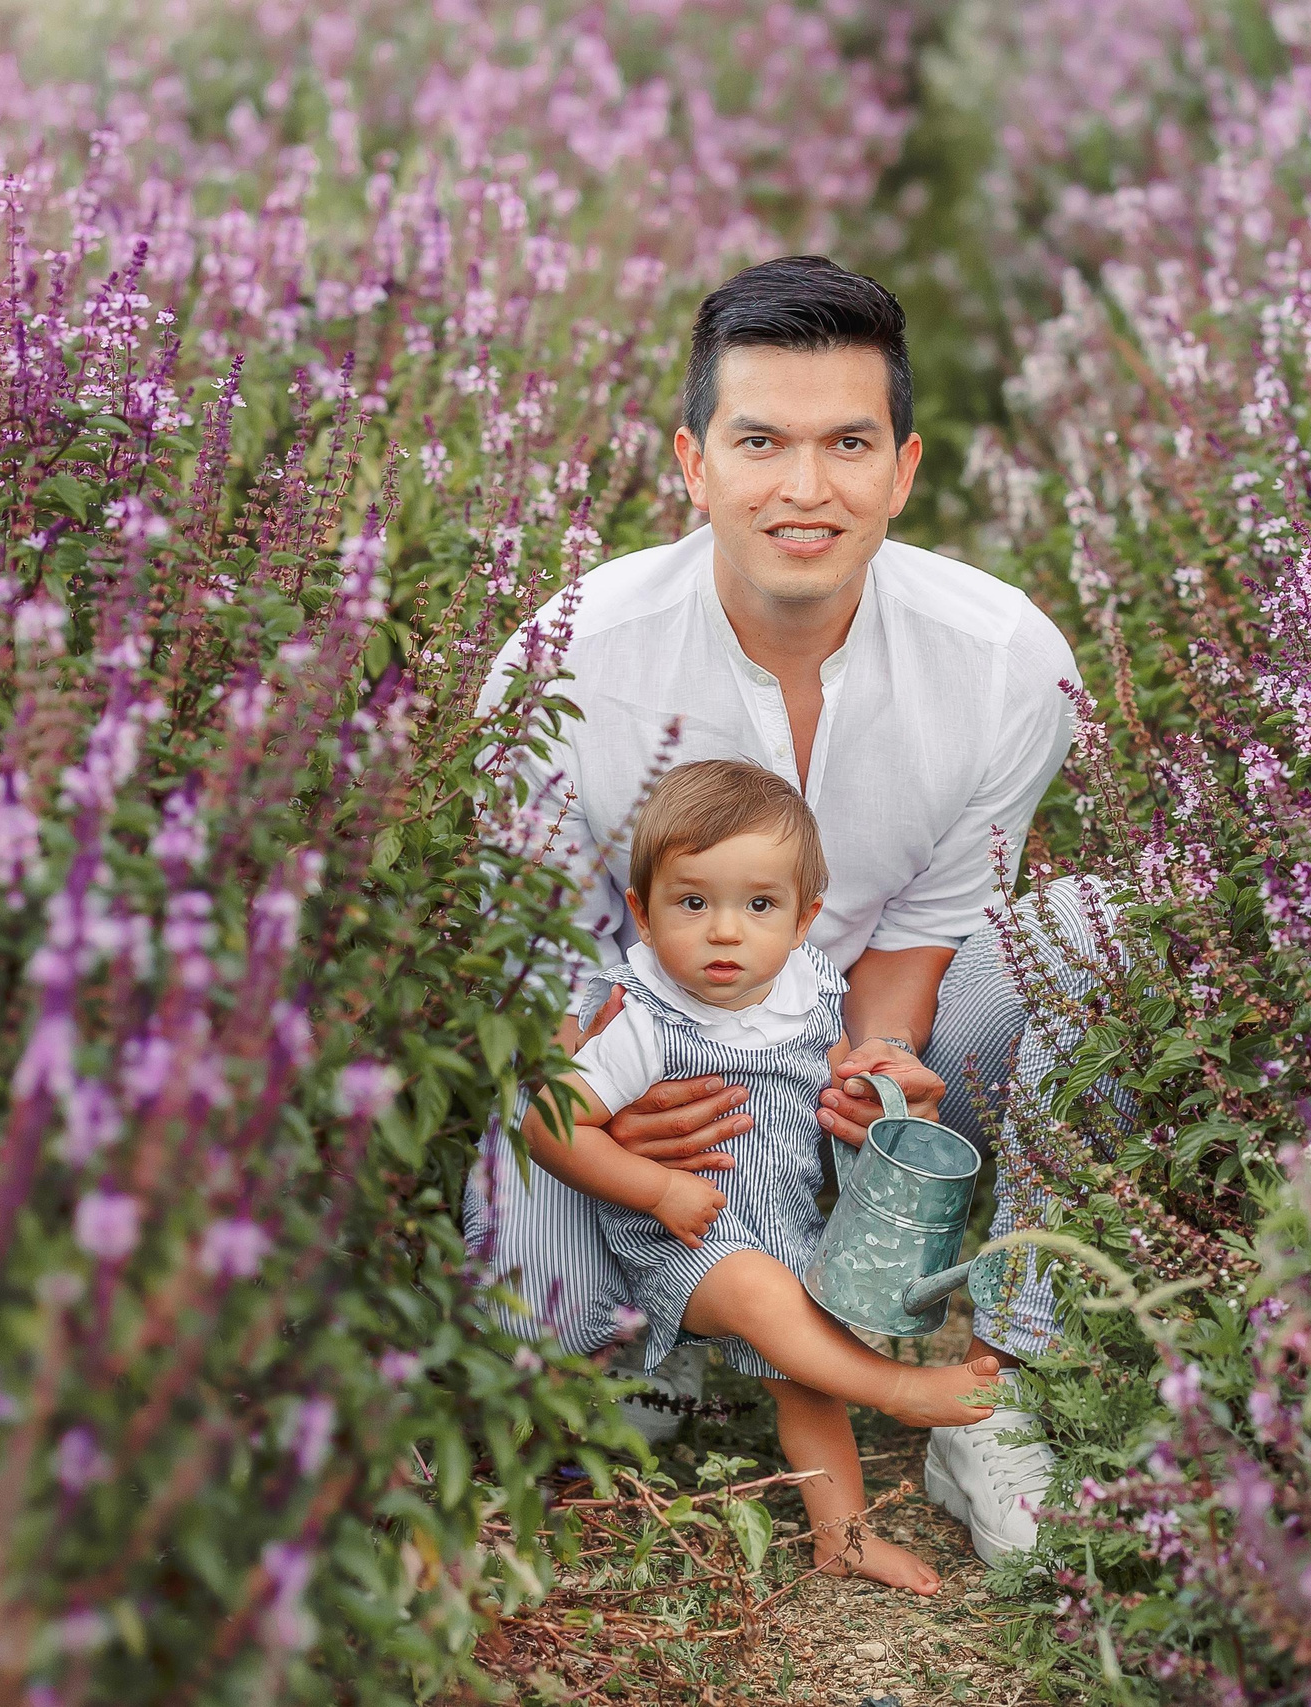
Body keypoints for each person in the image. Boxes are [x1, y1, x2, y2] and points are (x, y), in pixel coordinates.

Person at [467, 254, 1082, 1563]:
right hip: (636, 1071)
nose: (806, 489)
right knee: (537, 1334)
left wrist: (881, 1069)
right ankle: (690, 1333)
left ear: (905, 468)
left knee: (1097, 934)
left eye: (847, 442)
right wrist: (619, 1114)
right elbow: (527, 975)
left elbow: (920, 932)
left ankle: (1007, 1383)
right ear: (694, 462)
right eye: (762, 441)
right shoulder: (562, 667)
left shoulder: (1006, 664)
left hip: (831, 1057)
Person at [518, 759, 1003, 1593]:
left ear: (805, 917)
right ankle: (902, 1391)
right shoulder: (642, 1018)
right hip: (680, 1240)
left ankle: (840, 1536)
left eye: (760, 905)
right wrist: (657, 1188)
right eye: (692, 902)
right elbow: (549, 1124)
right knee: (755, 1291)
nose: (725, 932)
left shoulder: (810, 991)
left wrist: (876, 1093)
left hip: (779, 1227)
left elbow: (834, 1085)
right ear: (642, 912)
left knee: (811, 1371)